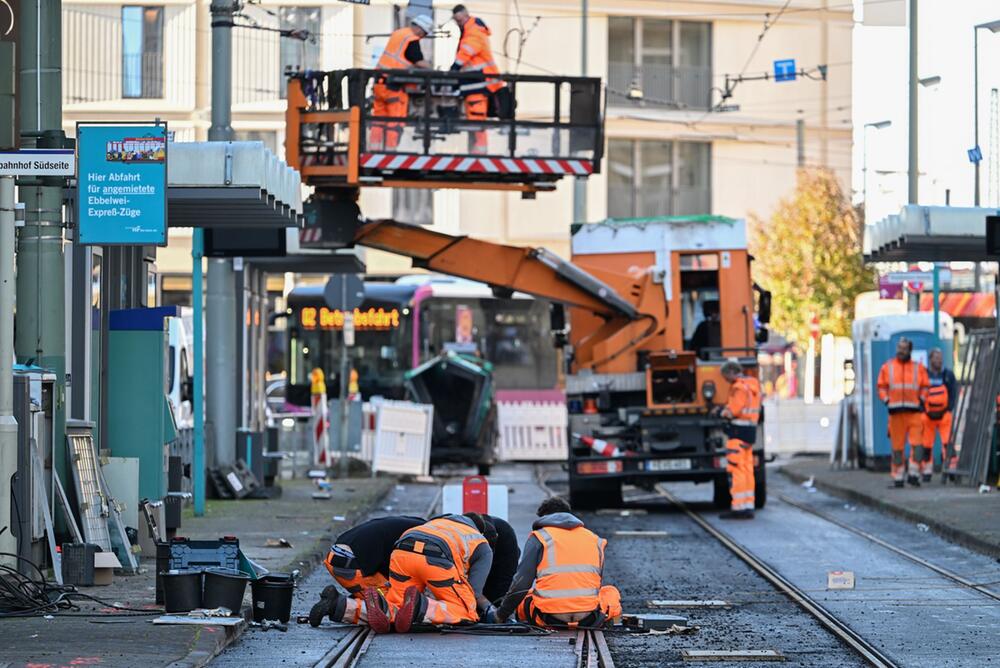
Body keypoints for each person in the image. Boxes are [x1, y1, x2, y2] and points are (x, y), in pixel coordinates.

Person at [317, 512, 495, 633]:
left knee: (392, 608)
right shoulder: (480, 542)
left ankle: (339, 606)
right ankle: (422, 606)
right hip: (434, 557)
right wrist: (490, 610)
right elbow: (473, 593)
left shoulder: (434, 524)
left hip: (401, 553)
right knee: (466, 612)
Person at [494, 497, 621, 628]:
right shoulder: (595, 540)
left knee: (526, 597)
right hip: (589, 618)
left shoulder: (539, 537)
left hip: (548, 618)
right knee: (610, 592)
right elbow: (596, 584)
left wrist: (500, 615)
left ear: (544, 518)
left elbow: (521, 585)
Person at [309, 515, 424, 626]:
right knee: (395, 611)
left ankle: (352, 600)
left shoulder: (422, 526)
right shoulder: (428, 539)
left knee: (381, 594)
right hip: (351, 564)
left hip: (340, 554)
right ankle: (335, 605)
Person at [370, 15, 434, 150]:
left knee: (379, 120)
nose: (422, 37)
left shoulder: (399, 33)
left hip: (379, 83)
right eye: (424, 33)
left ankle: (374, 149)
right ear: (420, 29)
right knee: (395, 120)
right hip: (393, 86)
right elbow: (418, 61)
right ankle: (390, 151)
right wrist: (430, 67)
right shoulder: (411, 39)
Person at [451, 5, 505, 154]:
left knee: (476, 117)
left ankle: (480, 151)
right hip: (476, 83)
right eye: (456, 21)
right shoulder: (473, 29)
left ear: (465, 15)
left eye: (459, 20)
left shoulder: (473, 30)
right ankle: (477, 149)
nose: (458, 23)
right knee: (474, 118)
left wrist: (454, 68)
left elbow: (468, 51)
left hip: (479, 83)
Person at [877, 337, 930, 488]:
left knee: (918, 446)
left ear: (910, 350)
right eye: (899, 348)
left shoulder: (918, 368)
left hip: (914, 412)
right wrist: (887, 400)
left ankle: (914, 473)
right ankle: (898, 476)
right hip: (895, 413)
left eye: (904, 348)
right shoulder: (888, 367)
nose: (901, 351)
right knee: (897, 448)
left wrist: (921, 400)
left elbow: (926, 386)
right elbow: (881, 386)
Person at [718, 359, 761, 519]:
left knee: (736, 469)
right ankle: (748, 504)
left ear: (730, 372)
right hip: (749, 432)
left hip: (737, 433)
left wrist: (721, 412)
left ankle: (738, 507)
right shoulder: (752, 385)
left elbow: (733, 410)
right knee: (747, 469)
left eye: (725, 376)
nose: (725, 380)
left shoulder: (738, 388)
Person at [923, 347, 957, 482]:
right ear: (930, 359)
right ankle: (926, 471)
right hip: (927, 416)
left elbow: (953, 392)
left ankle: (951, 469)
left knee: (947, 444)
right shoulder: (924, 374)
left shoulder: (948, 374)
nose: (939, 360)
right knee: (926, 445)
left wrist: (949, 408)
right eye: (936, 358)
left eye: (940, 357)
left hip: (944, 416)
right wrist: (923, 409)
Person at [482, 514, 520, 605]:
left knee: (500, 594)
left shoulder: (505, 532)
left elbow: (507, 576)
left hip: (503, 557)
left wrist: (501, 608)